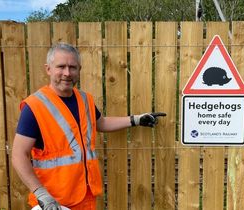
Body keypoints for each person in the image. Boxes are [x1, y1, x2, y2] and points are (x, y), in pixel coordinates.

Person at [11, 43, 166, 210]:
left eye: (73, 67)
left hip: (85, 197)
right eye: (61, 67)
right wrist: (41, 194)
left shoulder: (85, 100)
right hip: (53, 202)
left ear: (79, 70)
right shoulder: (34, 106)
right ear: (48, 69)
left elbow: (102, 123)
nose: (67, 73)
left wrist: (136, 119)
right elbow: (19, 155)